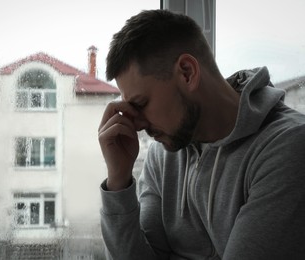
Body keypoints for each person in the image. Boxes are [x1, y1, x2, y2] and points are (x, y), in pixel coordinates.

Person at [97, 9, 305, 260]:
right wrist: (118, 181)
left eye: (140, 104)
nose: (137, 124)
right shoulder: (162, 156)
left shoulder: (288, 146)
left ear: (187, 72)